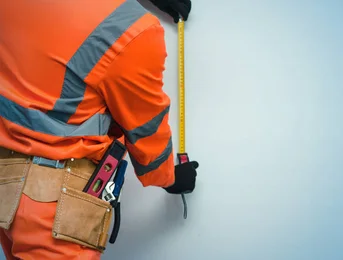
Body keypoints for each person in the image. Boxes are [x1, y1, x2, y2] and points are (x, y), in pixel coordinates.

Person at [0, 0, 196, 259]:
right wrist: (170, 177)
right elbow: (147, 130)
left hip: (6, 185)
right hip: (54, 210)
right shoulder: (132, 29)